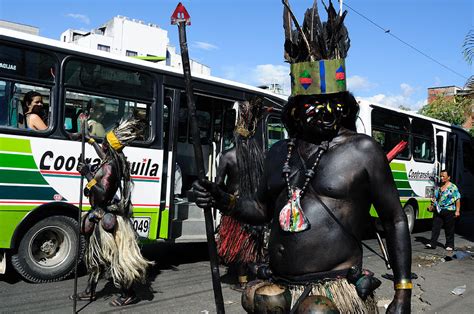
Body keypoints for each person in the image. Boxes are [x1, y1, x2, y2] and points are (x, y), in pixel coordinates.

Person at [193, 1, 411, 313]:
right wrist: (222, 199)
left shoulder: (362, 150)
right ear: (294, 109)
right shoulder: (280, 151)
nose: (325, 112)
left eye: (333, 103)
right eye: (315, 103)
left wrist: (403, 292)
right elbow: (259, 209)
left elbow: (394, 218)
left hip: (334, 294)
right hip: (278, 289)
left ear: (345, 105)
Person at [73, 116, 153, 307]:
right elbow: (102, 153)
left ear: (109, 145)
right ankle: (90, 291)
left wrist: (87, 175)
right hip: (98, 216)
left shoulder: (110, 167)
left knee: (117, 260)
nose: (102, 144)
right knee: (94, 257)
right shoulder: (111, 158)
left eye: (103, 142)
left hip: (106, 218)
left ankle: (129, 293)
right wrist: (90, 140)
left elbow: (102, 195)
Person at [215, 99, 266, 292]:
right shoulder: (261, 154)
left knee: (239, 246)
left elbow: (219, 185)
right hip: (254, 206)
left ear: (236, 133)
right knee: (250, 244)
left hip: (235, 205)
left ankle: (243, 281)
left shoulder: (227, 155)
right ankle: (252, 277)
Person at [426, 169, 461, 251]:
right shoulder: (438, 187)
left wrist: (457, 210)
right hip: (438, 210)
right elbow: (435, 198)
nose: (441, 178)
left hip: (449, 210)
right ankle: (432, 243)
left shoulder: (453, 187)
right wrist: (432, 206)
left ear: (448, 177)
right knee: (435, 227)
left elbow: (458, 199)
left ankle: (450, 245)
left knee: (449, 228)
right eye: (440, 176)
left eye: (443, 176)